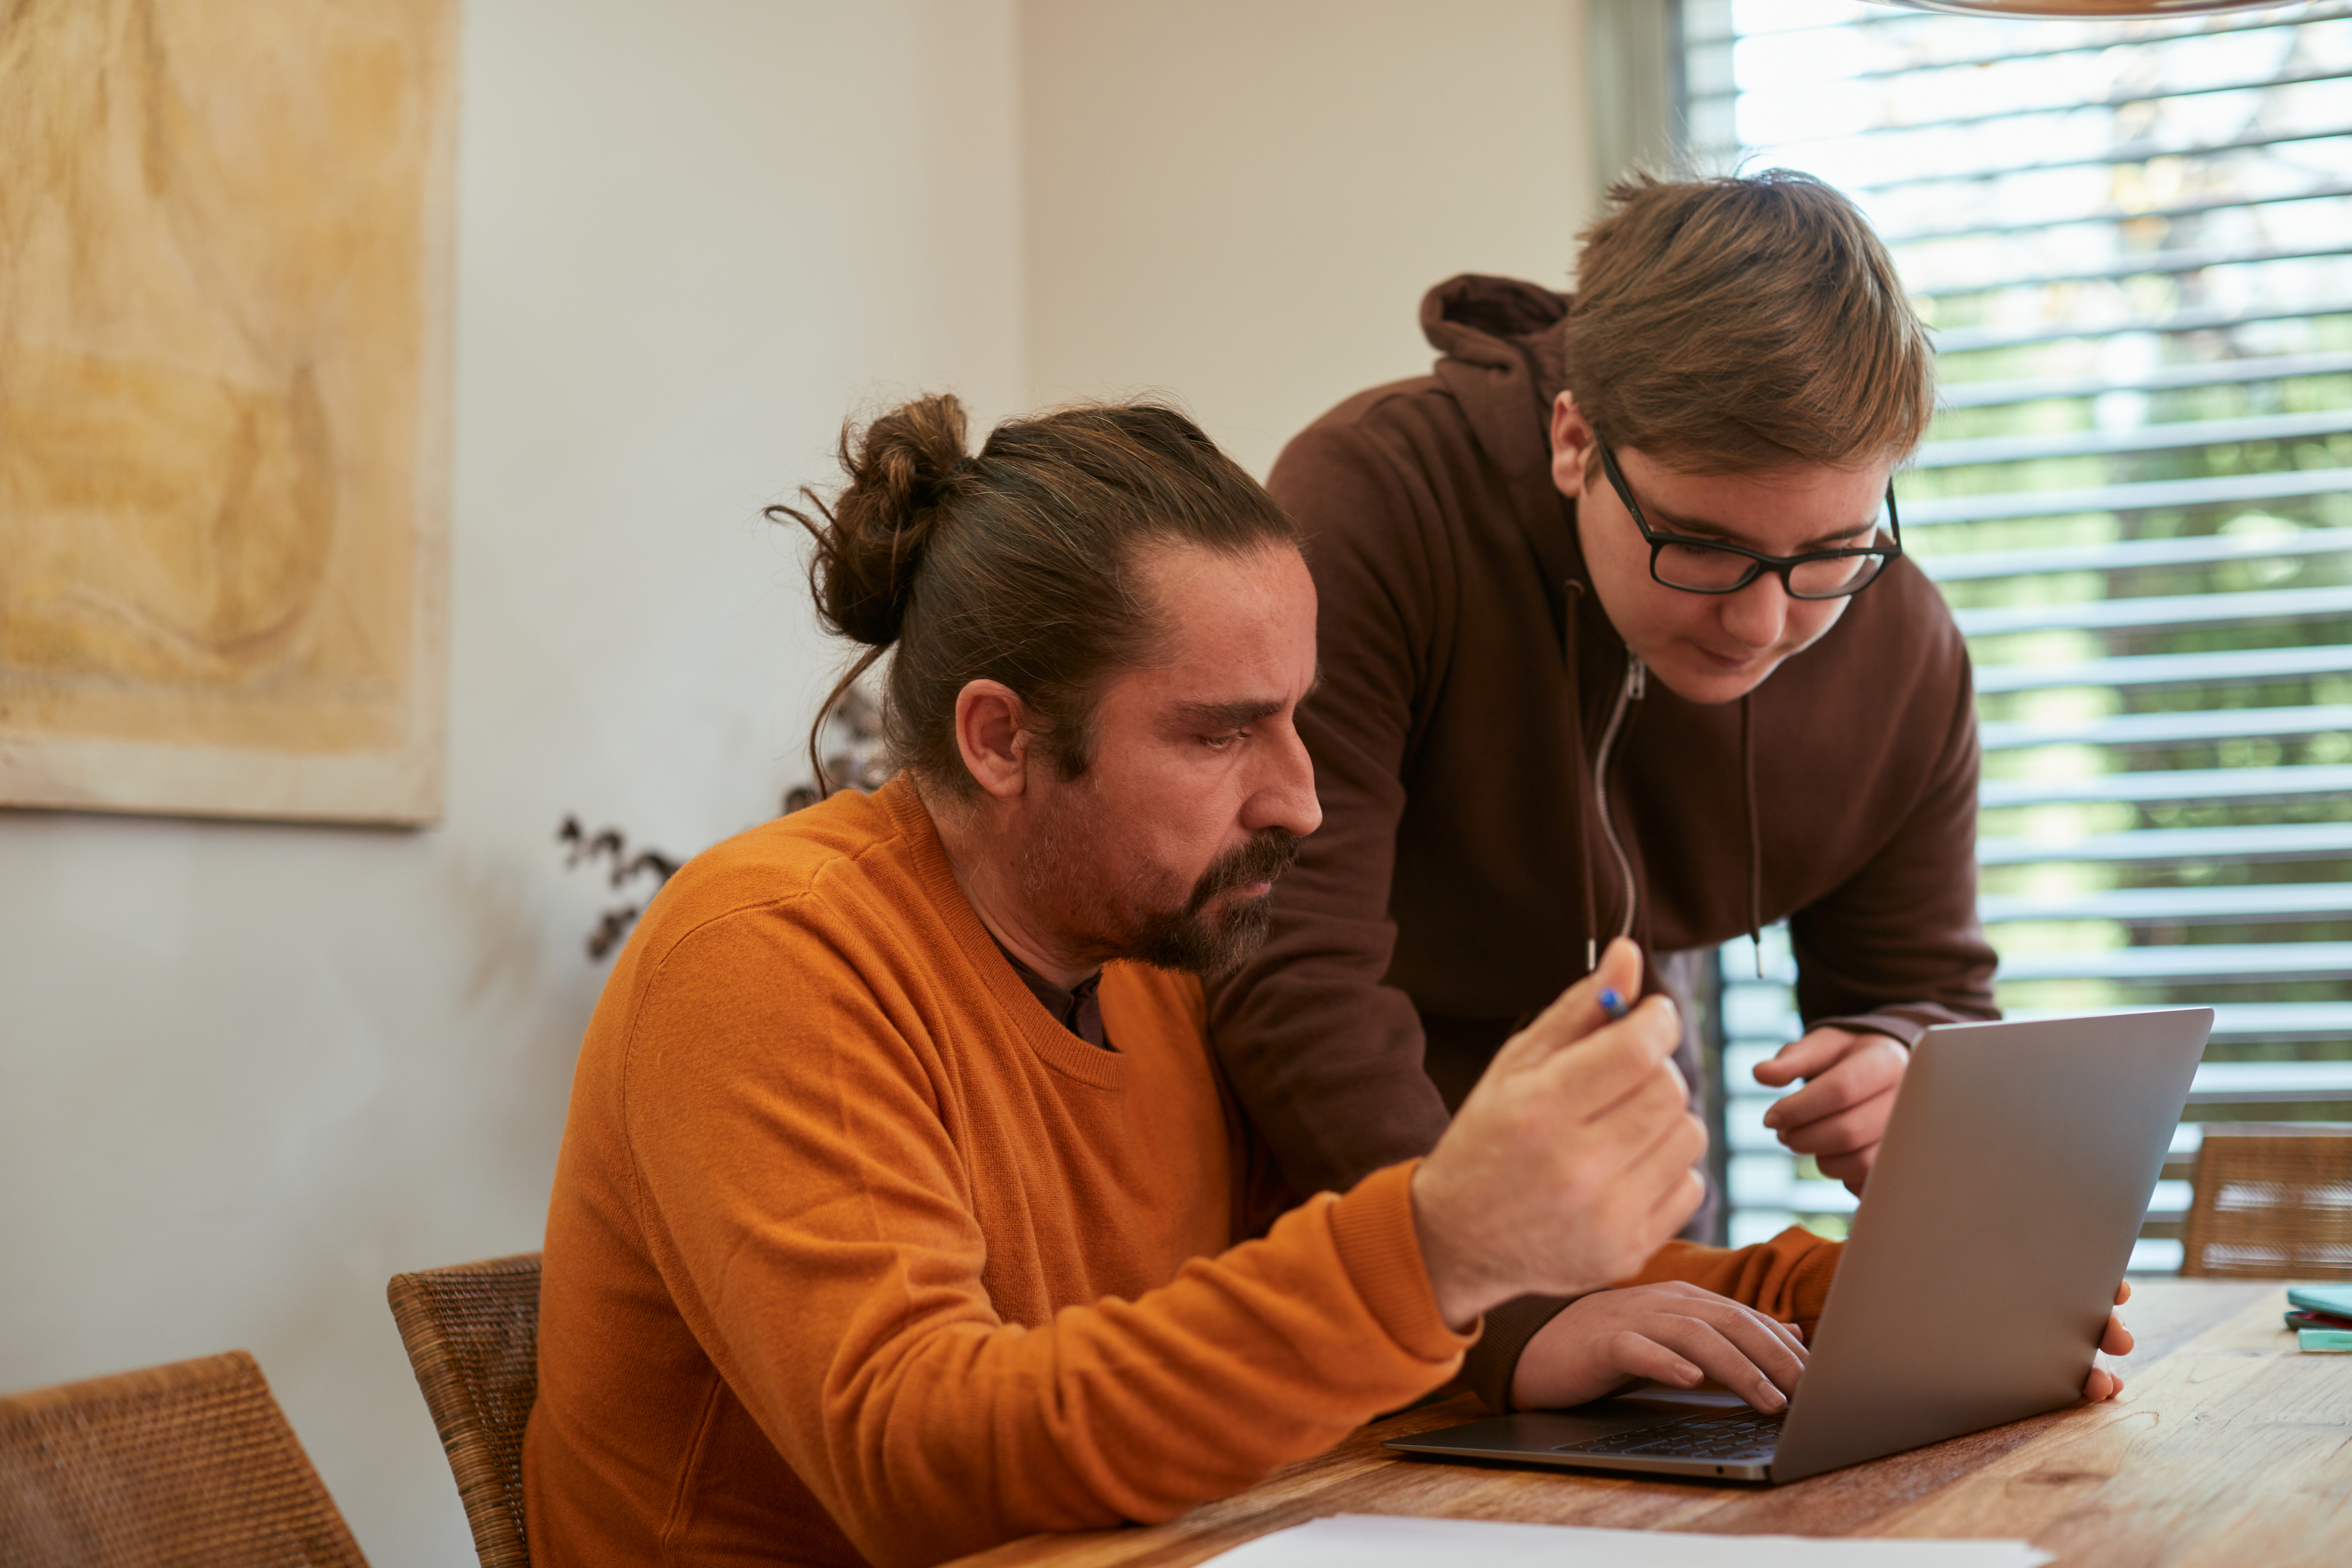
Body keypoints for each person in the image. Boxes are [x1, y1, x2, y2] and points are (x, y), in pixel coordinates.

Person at [523, 394, 1936, 1568]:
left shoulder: (1156, 959)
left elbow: (1317, 1302)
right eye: (1224, 736)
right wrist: (1441, 1248)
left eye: (1301, 723)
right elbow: (921, 1460)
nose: (1303, 802)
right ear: (1003, 738)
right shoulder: (771, 953)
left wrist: (1855, 1298)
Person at [1207, 169, 2005, 1409]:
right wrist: (1507, 1313)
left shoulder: (1900, 647)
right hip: (1331, 1220)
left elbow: (1932, 989)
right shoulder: (1374, 505)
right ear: (1576, 438)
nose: (1763, 622)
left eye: (1831, 555)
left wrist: (1905, 1063)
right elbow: (1287, 966)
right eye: (1703, 547)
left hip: (1621, 1224)